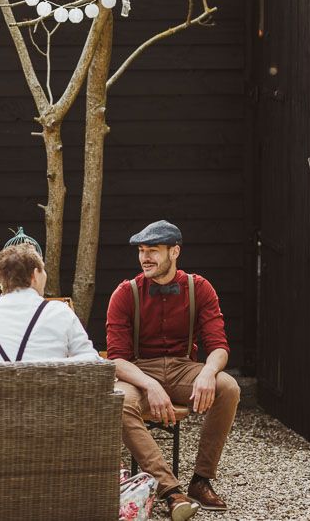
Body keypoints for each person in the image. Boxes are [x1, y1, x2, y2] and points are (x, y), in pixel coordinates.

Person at [106, 220, 240, 521]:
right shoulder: (125, 293)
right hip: (138, 371)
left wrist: (207, 373)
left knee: (228, 386)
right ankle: (170, 491)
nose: (145, 258)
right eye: (141, 251)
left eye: (153, 250)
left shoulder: (199, 288)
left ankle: (201, 480)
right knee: (120, 400)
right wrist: (150, 385)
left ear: (174, 251)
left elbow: (219, 345)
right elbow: (116, 359)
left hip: (183, 368)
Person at [0, 243, 100, 363]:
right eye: (43, 269)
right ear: (35, 275)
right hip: (49, 388)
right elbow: (90, 360)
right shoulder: (60, 311)